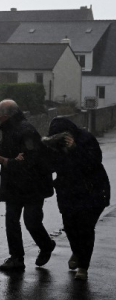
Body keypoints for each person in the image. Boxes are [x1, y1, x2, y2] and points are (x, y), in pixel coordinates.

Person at [42, 117, 111, 281]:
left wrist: (75, 148)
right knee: (70, 227)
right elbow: (50, 166)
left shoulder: (86, 139)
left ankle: (83, 267)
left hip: (92, 191)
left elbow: (93, 162)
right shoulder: (55, 145)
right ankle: (78, 252)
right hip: (67, 192)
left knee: (85, 229)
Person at [0, 99, 56, 271]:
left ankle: (46, 245)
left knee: (31, 221)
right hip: (13, 185)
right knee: (11, 221)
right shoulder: (8, 129)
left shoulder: (27, 131)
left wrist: (6, 161)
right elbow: (3, 148)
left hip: (34, 185)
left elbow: (30, 161)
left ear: (6, 116)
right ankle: (16, 258)